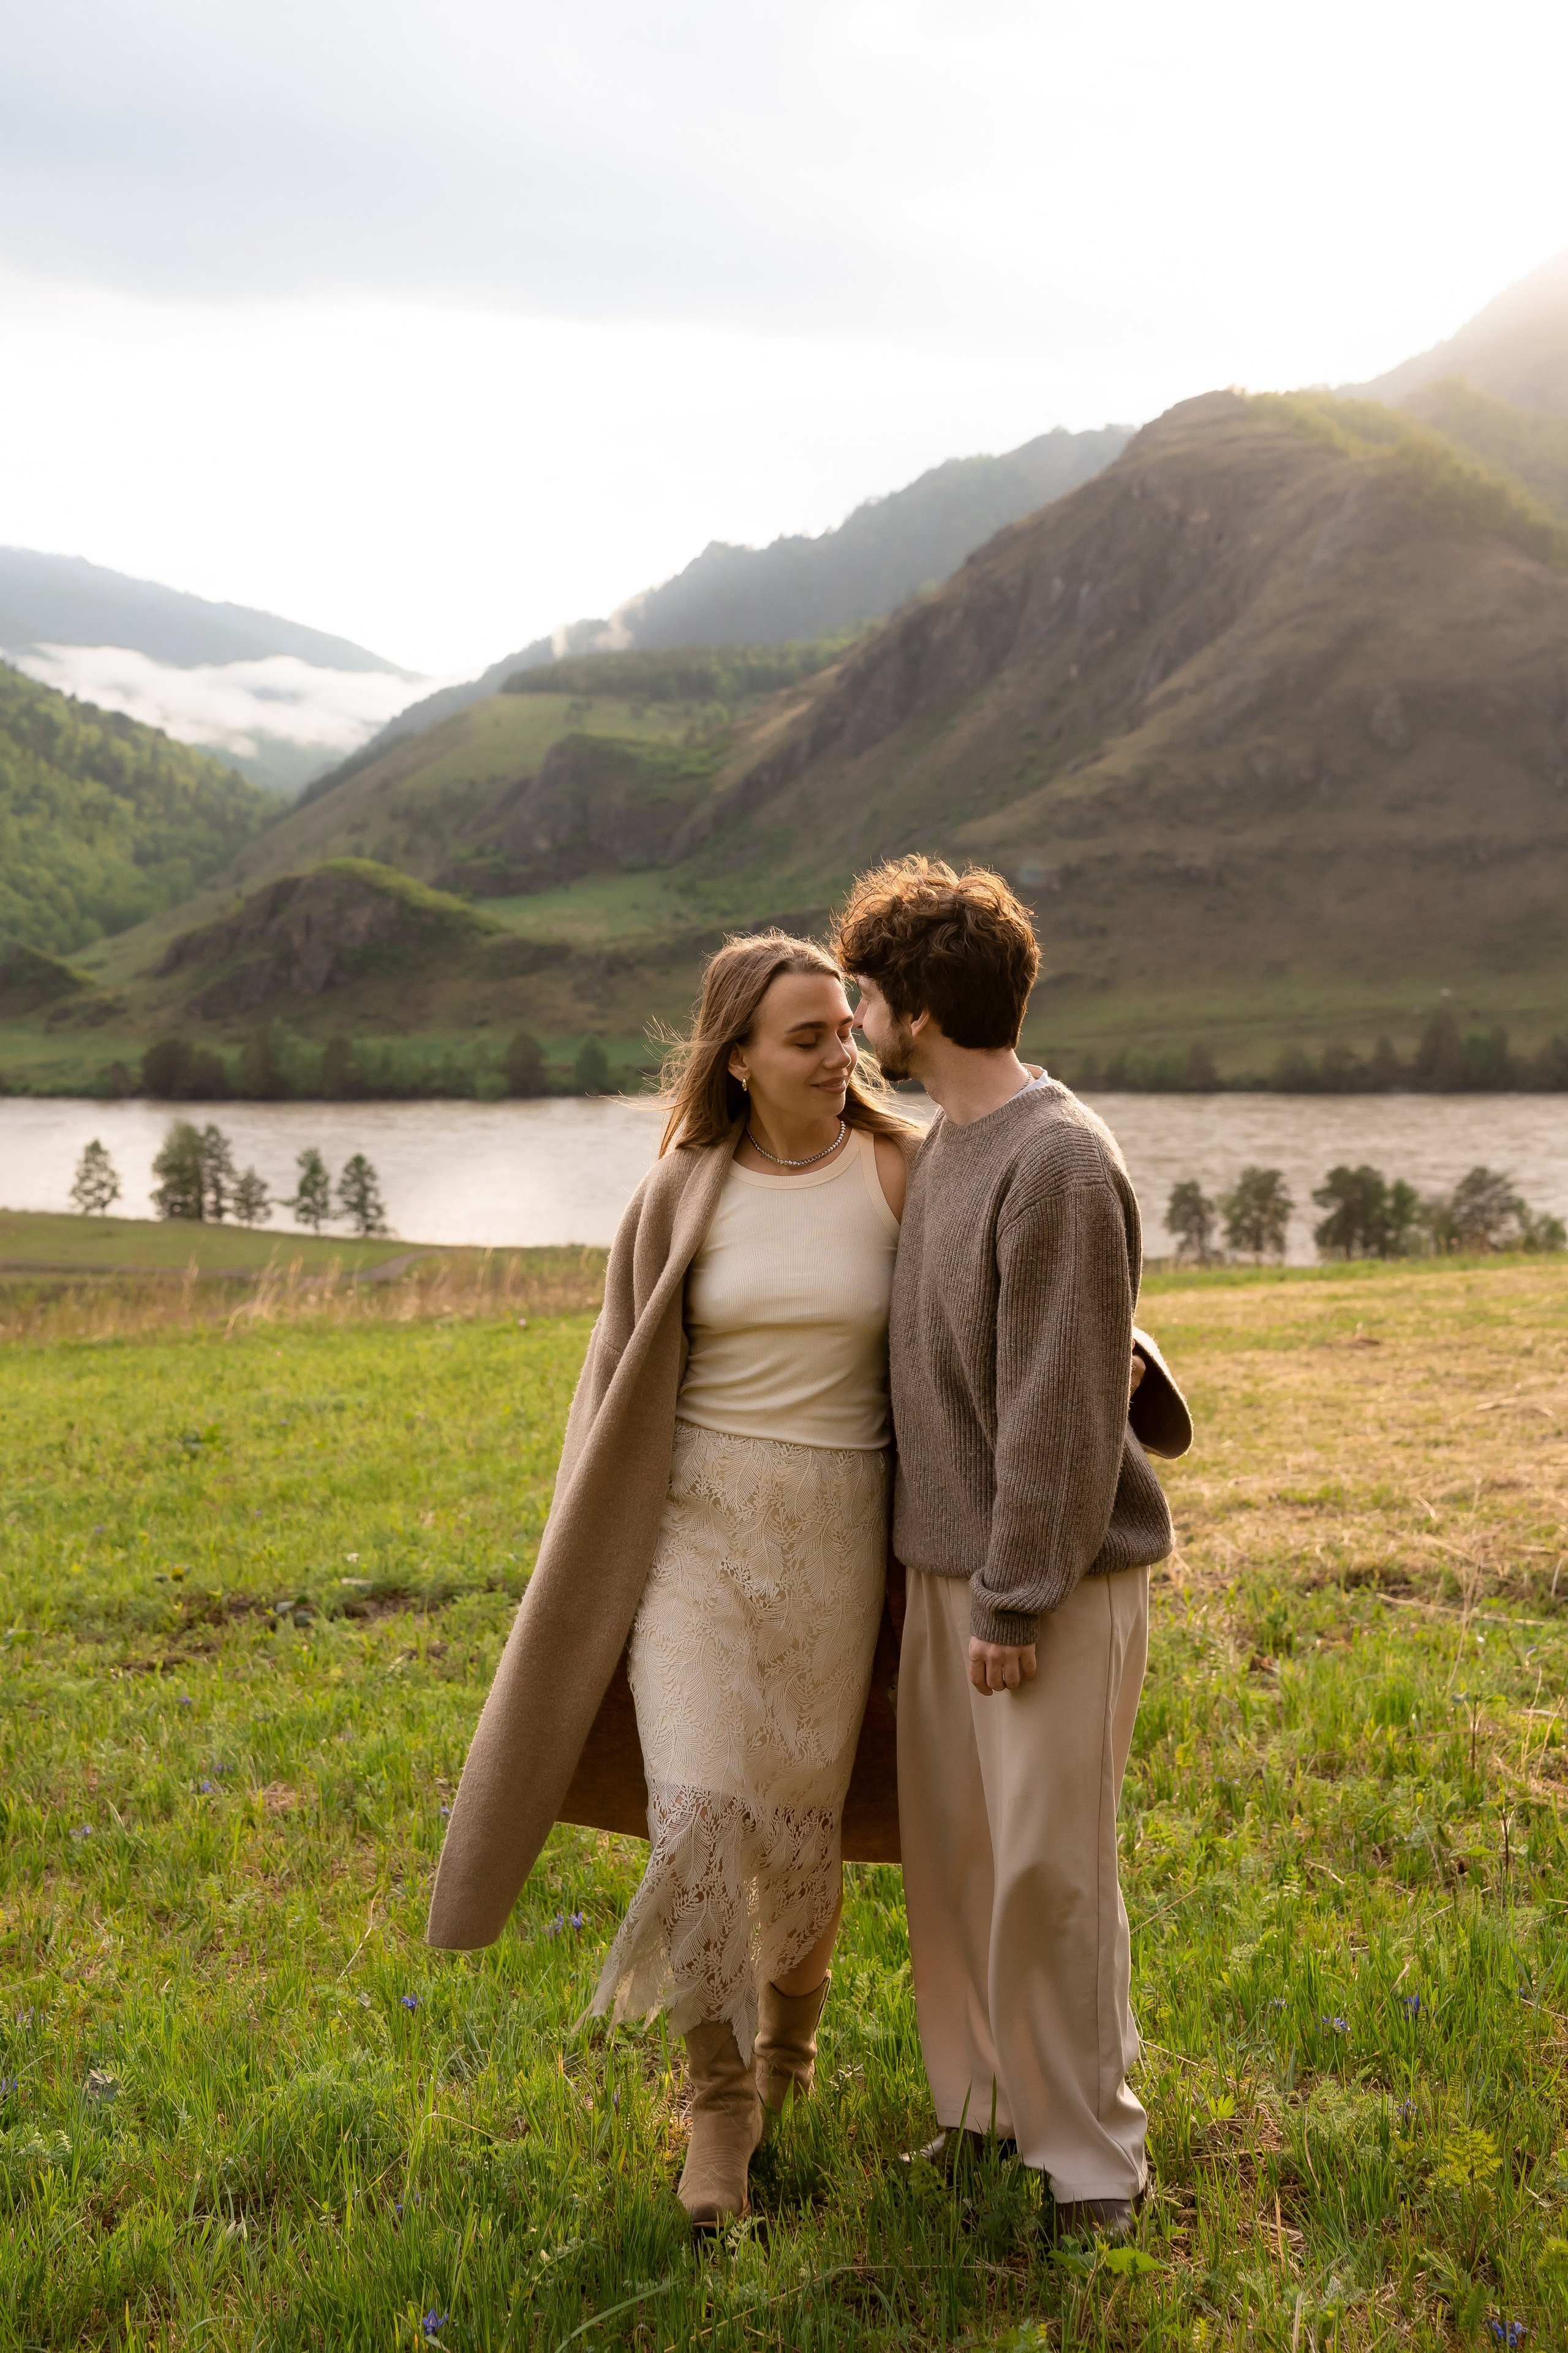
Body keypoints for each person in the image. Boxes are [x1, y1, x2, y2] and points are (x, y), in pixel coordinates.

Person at [427, 931, 921, 2230]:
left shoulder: (904, 1171)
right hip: (693, 1535)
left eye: (842, 1030)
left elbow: (993, 1321)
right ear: (739, 1059)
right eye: (803, 1037)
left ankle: (787, 2056)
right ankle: (717, 2100)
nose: (836, 1053)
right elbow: (611, 1391)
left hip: (836, 1537)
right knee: (696, 1814)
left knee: (801, 1824)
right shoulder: (679, 1193)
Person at [836, 856, 1191, 2243]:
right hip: (946, 1574)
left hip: (1044, 1582)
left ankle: (1093, 2156)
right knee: (960, 1859)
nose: (858, 1017)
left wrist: (1010, 1595)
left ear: (917, 1006)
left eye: (863, 992)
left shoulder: (1054, 1158)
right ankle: (984, 2109)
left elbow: (1054, 1403)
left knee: (1049, 1866)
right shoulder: (944, 1151)